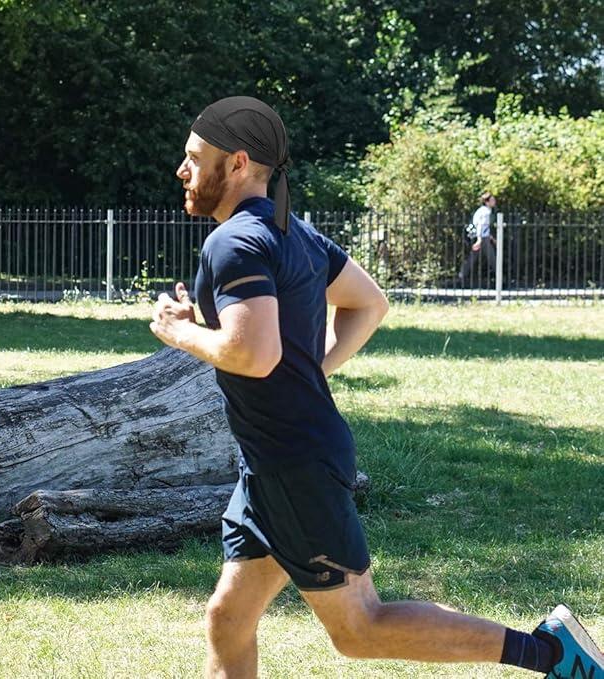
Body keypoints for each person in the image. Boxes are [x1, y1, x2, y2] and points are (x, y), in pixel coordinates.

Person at [149, 96, 603, 679]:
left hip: (293, 464)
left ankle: (552, 655)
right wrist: (308, 370)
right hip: (272, 462)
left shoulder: (234, 242)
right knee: (228, 616)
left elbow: (254, 356)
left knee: (360, 627)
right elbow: (368, 304)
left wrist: (181, 333)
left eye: (194, 158)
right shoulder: (295, 234)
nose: (182, 170)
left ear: (237, 163)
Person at [459, 192, 498, 283]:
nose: (494, 201)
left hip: (482, 237)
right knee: (492, 258)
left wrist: (491, 237)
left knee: (473, 257)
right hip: (483, 238)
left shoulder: (482, 210)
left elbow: (484, 227)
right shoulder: (486, 212)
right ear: (487, 202)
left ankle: (461, 276)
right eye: (492, 200)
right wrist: (479, 239)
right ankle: (499, 278)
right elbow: (481, 225)